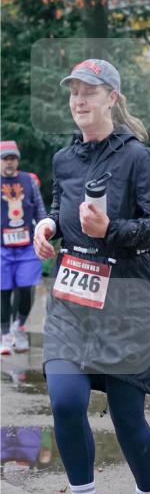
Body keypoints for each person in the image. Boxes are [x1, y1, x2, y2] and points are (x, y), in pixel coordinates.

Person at [33, 59, 150, 494]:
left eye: (90, 92)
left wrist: (111, 230)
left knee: (127, 417)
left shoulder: (138, 158)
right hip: (72, 296)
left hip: (126, 299)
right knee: (65, 401)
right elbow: (61, 207)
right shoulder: (64, 159)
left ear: (111, 98)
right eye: (74, 91)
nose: (79, 100)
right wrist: (48, 226)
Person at [1, 140, 48, 354]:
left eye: (13, 158)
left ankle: (18, 327)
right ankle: (4, 336)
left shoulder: (28, 181)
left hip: (27, 246)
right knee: (3, 292)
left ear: (18, 160)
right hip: (2, 248)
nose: (9, 162)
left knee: (26, 289)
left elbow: (40, 209)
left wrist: (44, 230)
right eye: (5, 159)